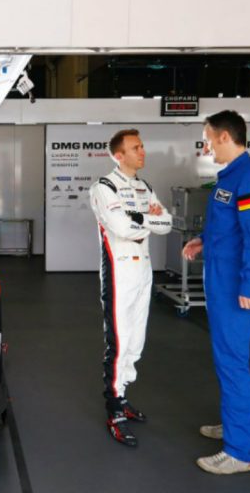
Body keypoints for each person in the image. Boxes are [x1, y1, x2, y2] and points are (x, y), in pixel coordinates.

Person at [182, 110, 250, 474]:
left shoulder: (248, 179)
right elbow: (227, 226)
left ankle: (240, 452)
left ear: (224, 136)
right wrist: (202, 240)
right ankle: (237, 425)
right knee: (226, 360)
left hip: (235, 287)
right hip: (221, 280)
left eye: (208, 139)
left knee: (233, 363)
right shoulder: (231, 177)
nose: (206, 147)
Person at [89, 129, 172, 447]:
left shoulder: (145, 187)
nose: (142, 151)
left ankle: (122, 395)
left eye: (142, 146)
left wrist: (141, 218)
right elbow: (121, 227)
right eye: (136, 148)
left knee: (136, 341)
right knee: (119, 342)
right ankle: (113, 408)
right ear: (118, 155)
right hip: (119, 272)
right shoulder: (104, 187)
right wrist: (147, 217)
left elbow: (166, 223)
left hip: (143, 271)